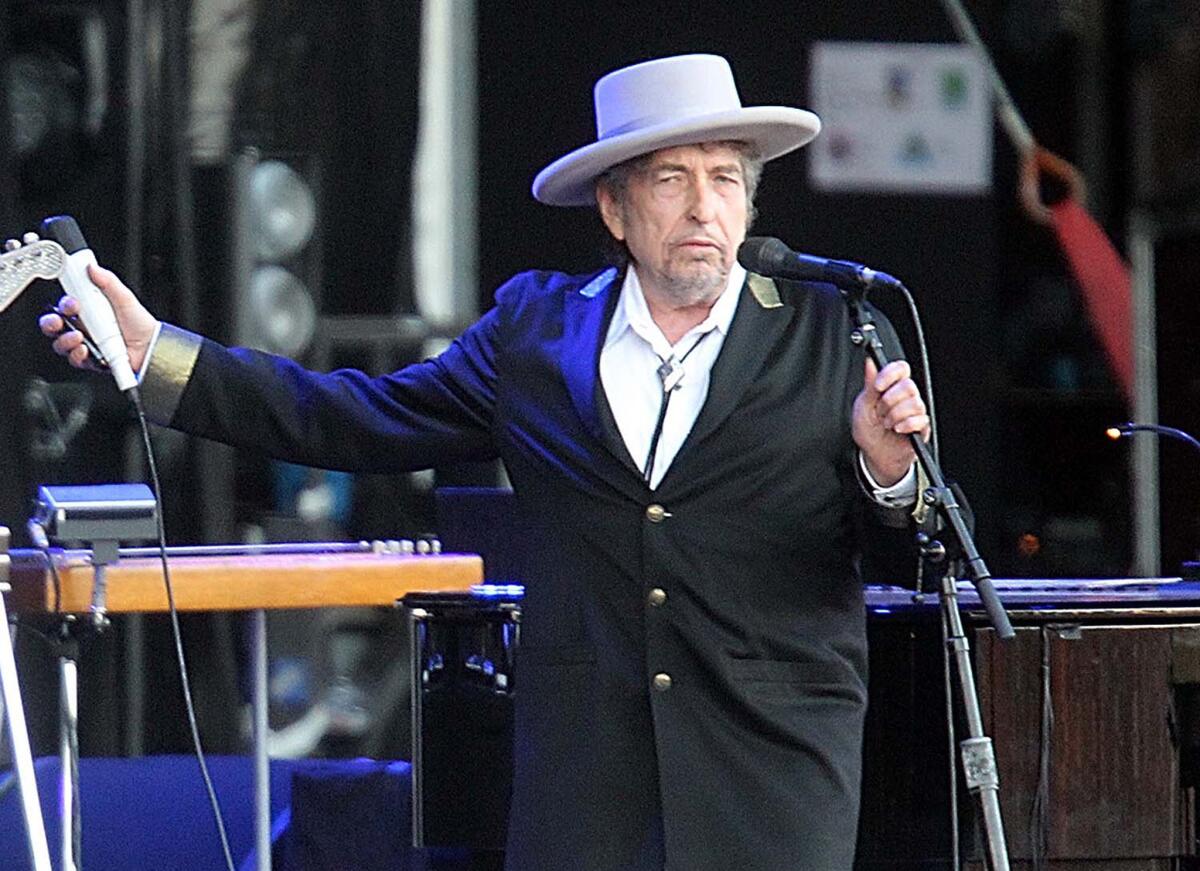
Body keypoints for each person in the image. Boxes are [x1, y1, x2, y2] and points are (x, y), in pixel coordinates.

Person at [43, 54, 929, 871]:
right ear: (614, 209)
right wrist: (158, 353)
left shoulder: (832, 329)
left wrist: (890, 474)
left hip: (771, 780)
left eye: (725, 180)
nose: (705, 207)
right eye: (673, 179)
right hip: (586, 793)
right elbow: (354, 418)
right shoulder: (539, 331)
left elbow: (915, 558)